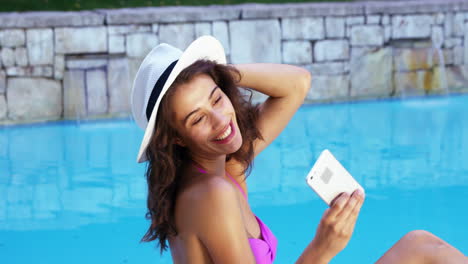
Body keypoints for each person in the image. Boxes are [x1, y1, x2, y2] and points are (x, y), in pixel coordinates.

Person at [130, 36, 467, 263]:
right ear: (175, 138)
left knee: (421, 245)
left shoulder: (224, 167)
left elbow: (297, 84)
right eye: (197, 118)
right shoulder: (210, 194)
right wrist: (323, 247)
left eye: (217, 98)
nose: (221, 121)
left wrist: (220, 72)